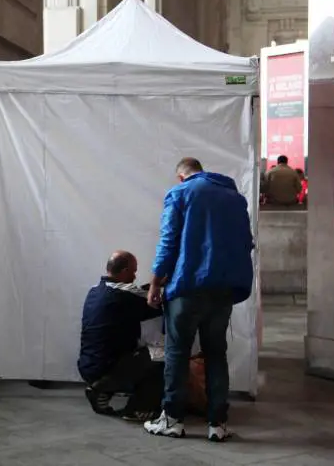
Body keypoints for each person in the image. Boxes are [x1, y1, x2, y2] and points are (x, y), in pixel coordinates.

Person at [143, 158, 254, 442]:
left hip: (188, 287)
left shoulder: (180, 193)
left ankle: (173, 419)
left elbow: (168, 240)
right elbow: (246, 243)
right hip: (224, 289)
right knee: (216, 353)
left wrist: (155, 282)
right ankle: (217, 424)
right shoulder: (235, 198)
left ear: (182, 177)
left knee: (177, 353)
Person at [78, 251, 164, 422]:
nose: (134, 276)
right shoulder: (125, 294)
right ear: (124, 271)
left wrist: (155, 284)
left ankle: (103, 389)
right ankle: (138, 408)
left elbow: (138, 293)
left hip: (88, 366)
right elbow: (153, 301)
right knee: (164, 356)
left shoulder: (95, 291)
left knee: (137, 352)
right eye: (133, 271)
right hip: (109, 366)